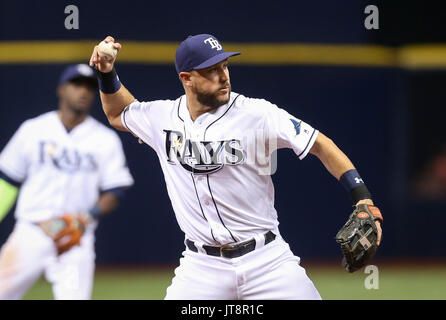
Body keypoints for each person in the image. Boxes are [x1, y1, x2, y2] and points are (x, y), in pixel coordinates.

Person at [89, 34, 383, 299]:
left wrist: (362, 197)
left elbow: (321, 144)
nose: (223, 76)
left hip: (267, 261)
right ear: (187, 78)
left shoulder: (257, 113)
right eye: (212, 70)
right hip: (201, 267)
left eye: (225, 66)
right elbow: (119, 112)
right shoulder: (163, 117)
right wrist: (106, 72)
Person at [0, 64, 134, 300]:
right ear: (61, 89)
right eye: (76, 84)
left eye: (89, 87)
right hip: (31, 231)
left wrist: (87, 216)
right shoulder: (33, 130)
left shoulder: (104, 139)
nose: (83, 91)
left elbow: (116, 189)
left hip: (76, 236)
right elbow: (7, 179)